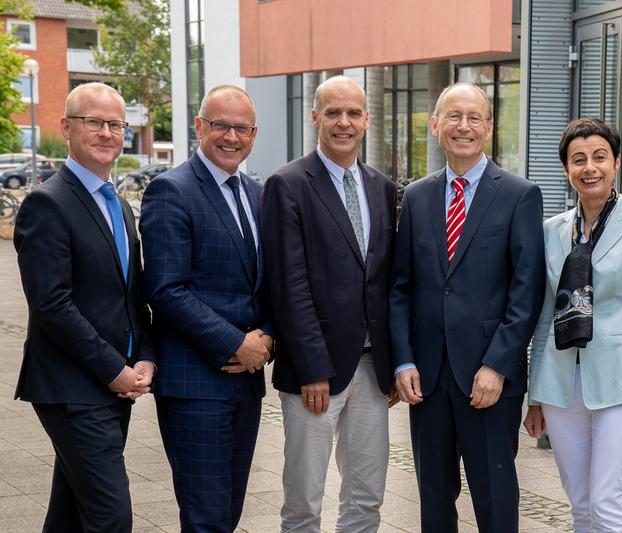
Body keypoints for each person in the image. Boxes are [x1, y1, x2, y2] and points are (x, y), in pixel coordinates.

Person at [389, 82, 546, 532]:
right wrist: (403, 360)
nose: (463, 126)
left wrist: (497, 365)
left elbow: (526, 290)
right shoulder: (416, 196)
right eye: (453, 116)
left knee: (495, 502)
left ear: (490, 128)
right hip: (429, 378)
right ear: (436, 125)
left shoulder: (519, 194)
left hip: (489, 380)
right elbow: (400, 287)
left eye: (474, 117)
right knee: (433, 500)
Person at [14, 82, 156, 533]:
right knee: (111, 517)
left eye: (116, 124)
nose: (106, 133)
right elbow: (52, 305)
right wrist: (115, 369)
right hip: (73, 386)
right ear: (67, 127)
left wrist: (146, 354)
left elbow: (132, 294)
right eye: (94, 122)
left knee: (72, 511)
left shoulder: (119, 205)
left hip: (115, 383)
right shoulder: (47, 203)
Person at [261, 75, 397, 533]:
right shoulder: (287, 184)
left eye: (353, 113)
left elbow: (385, 281)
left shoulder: (382, 187)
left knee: (366, 496)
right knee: (304, 500)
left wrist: (393, 363)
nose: (344, 122)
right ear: (315, 116)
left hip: (371, 368)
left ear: (367, 120)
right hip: (314, 373)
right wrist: (311, 368)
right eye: (333, 113)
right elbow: (288, 284)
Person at [522, 118, 622, 532]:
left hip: (621, 383)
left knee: (608, 505)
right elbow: (542, 317)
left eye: (599, 157)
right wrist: (536, 395)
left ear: (616, 163)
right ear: (567, 169)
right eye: (578, 159)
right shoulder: (550, 232)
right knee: (580, 505)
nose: (590, 168)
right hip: (559, 382)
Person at [140, 85, 273, 533]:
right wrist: (235, 343)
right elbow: (165, 289)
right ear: (200, 127)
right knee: (206, 519)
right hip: (195, 385)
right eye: (221, 125)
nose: (231, 137)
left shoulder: (257, 194)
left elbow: (270, 283)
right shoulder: (171, 190)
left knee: (228, 512)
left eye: (242, 128)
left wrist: (267, 338)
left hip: (246, 385)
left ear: (254, 134)